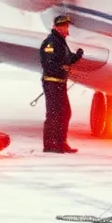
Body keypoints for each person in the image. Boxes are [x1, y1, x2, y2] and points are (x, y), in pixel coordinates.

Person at [40, 13, 83, 153]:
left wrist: (76, 57)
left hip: (60, 83)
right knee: (54, 114)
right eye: (65, 26)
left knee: (65, 112)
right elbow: (49, 63)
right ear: (58, 27)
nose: (67, 29)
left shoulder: (61, 42)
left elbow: (67, 59)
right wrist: (62, 68)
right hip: (52, 83)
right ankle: (50, 144)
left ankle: (60, 142)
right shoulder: (51, 43)